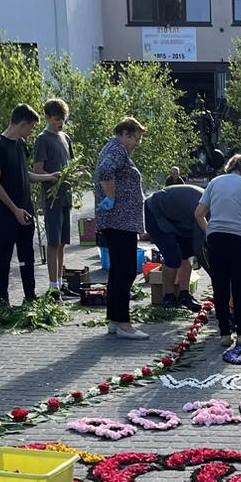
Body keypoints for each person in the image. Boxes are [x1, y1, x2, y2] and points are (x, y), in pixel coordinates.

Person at [0, 103, 59, 309]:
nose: (32, 132)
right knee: (4, 257)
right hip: (7, 212)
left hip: (26, 209)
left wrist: (49, 177)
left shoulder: (21, 144)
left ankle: (30, 297)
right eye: (32, 127)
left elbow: (24, 174)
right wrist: (15, 210)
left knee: (27, 255)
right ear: (22, 124)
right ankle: (3, 302)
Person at [195, 154, 241, 346]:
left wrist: (209, 232)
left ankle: (224, 333)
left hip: (217, 237)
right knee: (240, 287)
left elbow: (198, 214)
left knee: (220, 287)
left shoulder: (215, 183)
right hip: (240, 238)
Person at [96, 117, 149, 340]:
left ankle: (114, 320)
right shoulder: (117, 150)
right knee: (126, 271)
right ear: (126, 134)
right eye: (136, 138)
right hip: (120, 221)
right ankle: (124, 324)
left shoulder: (114, 149)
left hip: (119, 221)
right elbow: (105, 171)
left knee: (118, 271)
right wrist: (111, 197)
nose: (137, 144)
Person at [34, 98, 76, 298]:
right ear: (48, 117)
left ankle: (59, 283)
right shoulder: (42, 139)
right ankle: (52, 288)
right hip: (52, 198)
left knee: (62, 242)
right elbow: (38, 170)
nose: (61, 123)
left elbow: (70, 166)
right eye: (57, 119)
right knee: (53, 241)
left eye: (63, 119)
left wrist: (77, 173)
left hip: (66, 196)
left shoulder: (66, 138)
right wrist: (53, 176)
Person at [143, 183, 206, 313]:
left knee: (187, 254)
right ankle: (168, 296)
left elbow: (196, 251)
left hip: (179, 218)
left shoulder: (210, 206)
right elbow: (200, 247)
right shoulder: (204, 210)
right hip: (155, 212)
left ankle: (184, 294)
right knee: (173, 257)